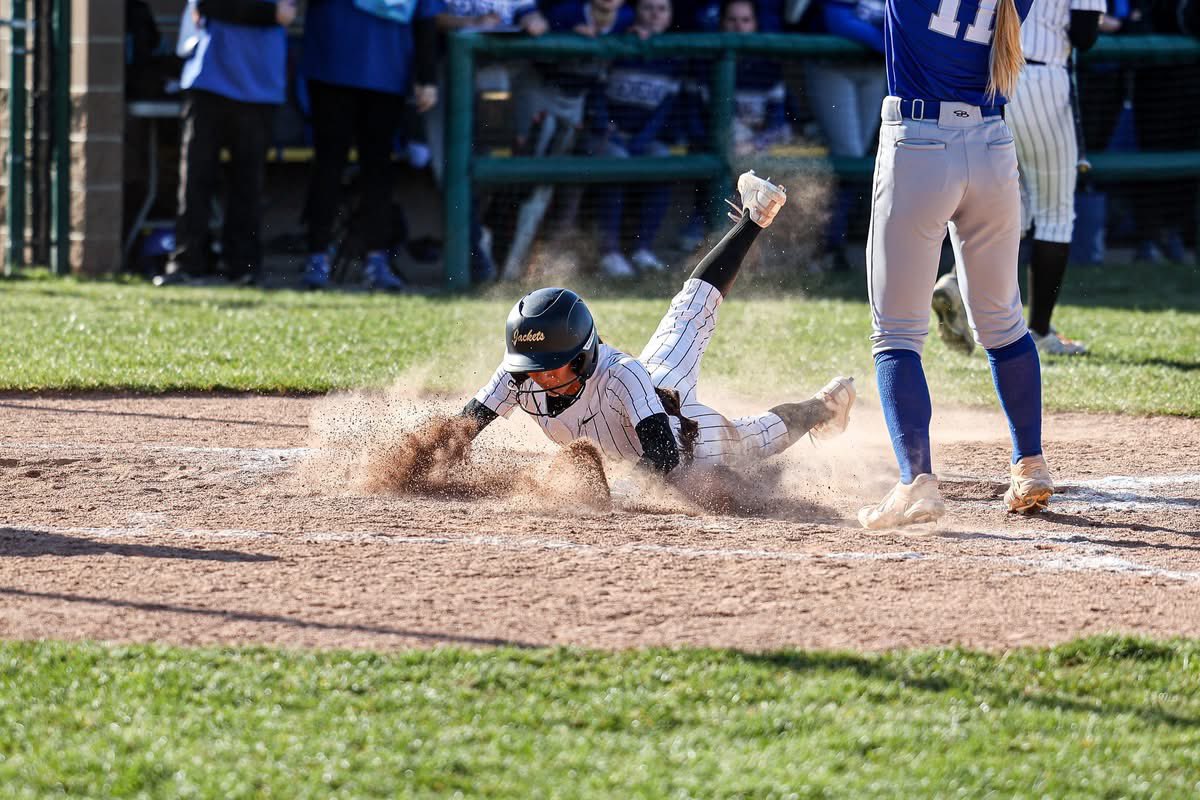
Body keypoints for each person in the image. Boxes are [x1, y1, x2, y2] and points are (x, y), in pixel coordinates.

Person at [458, 171, 857, 480]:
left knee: (755, 438)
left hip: (682, 432)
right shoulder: (521, 371)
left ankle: (824, 406)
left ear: (581, 358)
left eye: (549, 365)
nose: (537, 375)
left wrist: (609, 494)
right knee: (689, 309)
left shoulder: (620, 376)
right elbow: (462, 429)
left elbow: (664, 459)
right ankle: (754, 216)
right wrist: (421, 460)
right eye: (530, 365)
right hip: (654, 380)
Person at [858, 0, 1054, 529]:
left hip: (920, 144)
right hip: (991, 147)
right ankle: (1030, 462)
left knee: (896, 333)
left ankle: (916, 481)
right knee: (1003, 322)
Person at [931, 0, 1104, 356]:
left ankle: (956, 283)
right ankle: (1039, 329)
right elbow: (1084, 35)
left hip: (989, 76)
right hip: (1043, 78)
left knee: (1012, 206)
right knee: (1055, 214)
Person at [301, 0, 443, 292]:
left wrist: (427, 77)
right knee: (328, 162)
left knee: (378, 169)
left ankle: (376, 259)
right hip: (330, 65)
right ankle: (317, 257)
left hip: (388, 72)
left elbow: (426, 18)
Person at [158, 0, 295, 286]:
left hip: (260, 84)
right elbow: (209, 5)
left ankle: (243, 266)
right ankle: (187, 262)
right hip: (209, 80)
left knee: (248, 182)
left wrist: (267, 14)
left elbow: (287, 13)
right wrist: (267, 13)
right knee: (196, 177)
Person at [591, 0, 682, 277]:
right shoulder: (617, 43)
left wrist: (642, 139)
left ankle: (644, 249)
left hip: (643, 138)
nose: (654, 14)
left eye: (662, 8)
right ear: (634, 12)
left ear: (670, 16)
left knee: (662, 159)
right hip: (605, 135)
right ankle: (610, 252)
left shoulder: (676, 55)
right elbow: (595, 94)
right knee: (616, 160)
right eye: (648, 8)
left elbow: (666, 108)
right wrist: (608, 129)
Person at [807, 0, 887, 271]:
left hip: (874, 70)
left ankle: (832, 244)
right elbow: (838, 21)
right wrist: (888, 43)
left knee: (857, 158)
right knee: (849, 154)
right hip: (833, 66)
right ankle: (824, 244)